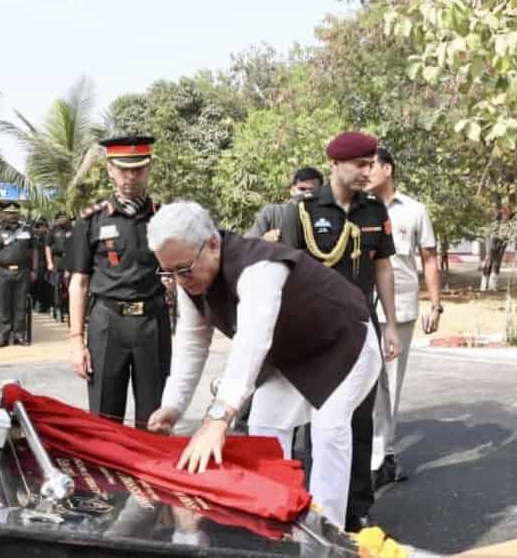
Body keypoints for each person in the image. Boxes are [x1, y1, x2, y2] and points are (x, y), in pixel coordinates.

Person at [144, 201, 382, 529]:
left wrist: (217, 419)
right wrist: (173, 406)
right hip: (289, 356)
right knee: (264, 431)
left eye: (183, 269)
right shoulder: (190, 281)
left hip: (342, 344)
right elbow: (191, 341)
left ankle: (328, 533)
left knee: (328, 430)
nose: (178, 280)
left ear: (212, 244)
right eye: (167, 272)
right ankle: (276, 521)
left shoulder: (260, 268)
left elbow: (251, 344)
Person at [278, 130, 399, 532]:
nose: (368, 172)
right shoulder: (303, 212)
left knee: (360, 420)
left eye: (371, 164)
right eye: (360, 165)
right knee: (321, 422)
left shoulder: (373, 210)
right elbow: (288, 270)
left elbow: (382, 266)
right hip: (318, 329)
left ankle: (356, 508)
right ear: (336, 164)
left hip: (363, 327)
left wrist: (392, 325)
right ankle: (318, 506)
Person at [66, 135, 171, 430]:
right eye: (123, 170)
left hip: (153, 321)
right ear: (110, 170)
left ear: (148, 169)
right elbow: (79, 283)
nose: (130, 177)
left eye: (138, 169)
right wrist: (76, 340)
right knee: (104, 418)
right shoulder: (92, 220)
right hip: (107, 323)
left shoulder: (164, 217)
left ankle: (151, 474)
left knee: (154, 418)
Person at [366, 145, 443, 488]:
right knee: (362, 382)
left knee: (389, 384)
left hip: (401, 306)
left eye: (371, 167)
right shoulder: (356, 208)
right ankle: (368, 453)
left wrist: (436, 304)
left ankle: (382, 456)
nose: (365, 173)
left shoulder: (414, 211)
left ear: (388, 169)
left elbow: (429, 258)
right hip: (360, 307)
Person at [0, 202, 38, 347]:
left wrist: (34, 269)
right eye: (9, 213)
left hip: (23, 271)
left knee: (20, 304)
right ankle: (3, 337)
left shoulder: (27, 230)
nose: (12, 215)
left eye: (15, 213)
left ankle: (19, 336)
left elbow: (34, 251)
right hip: (2, 272)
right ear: (4, 214)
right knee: (4, 305)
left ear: (18, 214)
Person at [247, 166, 324, 242]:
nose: (305, 194)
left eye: (312, 190)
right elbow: (247, 245)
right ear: (292, 190)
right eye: (302, 189)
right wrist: (264, 239)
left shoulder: (327, 216)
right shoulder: (272, 213)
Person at [47, 211, 72, 321]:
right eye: (60, 217)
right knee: (57, 286)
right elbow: (47, 246)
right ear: (57, 219)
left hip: (69, 260)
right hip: (57, 259)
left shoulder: (71, 229)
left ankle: (69, 309)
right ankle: (58, 308)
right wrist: (49, 262)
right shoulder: (53, 230)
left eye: (64, 217)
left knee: (69, 285)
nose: (63, 219)